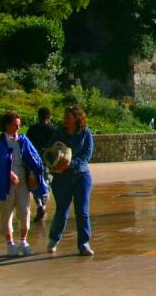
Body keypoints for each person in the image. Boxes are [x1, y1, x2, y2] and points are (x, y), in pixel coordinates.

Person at [0, 112, 47, 257]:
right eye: (15, 125)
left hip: (23, 182)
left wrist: (32, 174)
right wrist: (8, 174)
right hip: (5, 184)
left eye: (19, 125)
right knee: (6, 213)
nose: (18, 127)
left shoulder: (23, 141)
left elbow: (34, 160)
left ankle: (23, 241)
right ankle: (10, 244)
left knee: (25, 211)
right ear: (6, 125)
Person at [47, 106, 94, 256]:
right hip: (62, 177)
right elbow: (50, 149)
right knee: (62, 210)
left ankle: (84, 244)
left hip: (82, 176)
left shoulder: (85, 133)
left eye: (69, 117)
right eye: (65, 116)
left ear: (77, 118)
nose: (65, 119)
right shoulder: (59, 133)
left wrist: (71, 164)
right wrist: (55, 162)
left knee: (82, 212)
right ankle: (53, 239)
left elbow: (87, 154)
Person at [26, 107, 55, 222]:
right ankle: (43, 206)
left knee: (34, 184)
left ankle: (39, 206)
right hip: (47, 162)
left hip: (33, 161)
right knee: (46, 184)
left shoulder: (32, 129)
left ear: (38, 116)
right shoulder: (52, 130)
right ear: (49, 117)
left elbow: (26, 145)